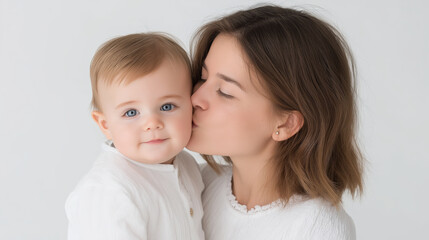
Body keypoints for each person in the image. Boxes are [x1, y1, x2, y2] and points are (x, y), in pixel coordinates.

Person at [187, 5, 364, 240]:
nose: (195, 98)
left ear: (287, 124)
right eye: (203, 78)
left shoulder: (318, 227)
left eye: (225, 92)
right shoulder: (194, 183)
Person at [65, 33, 204, 240]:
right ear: (105, 124)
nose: (152, 123)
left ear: (191, 107)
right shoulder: (109, 192)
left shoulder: (187, 165)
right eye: (131, 112)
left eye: (167, 107)